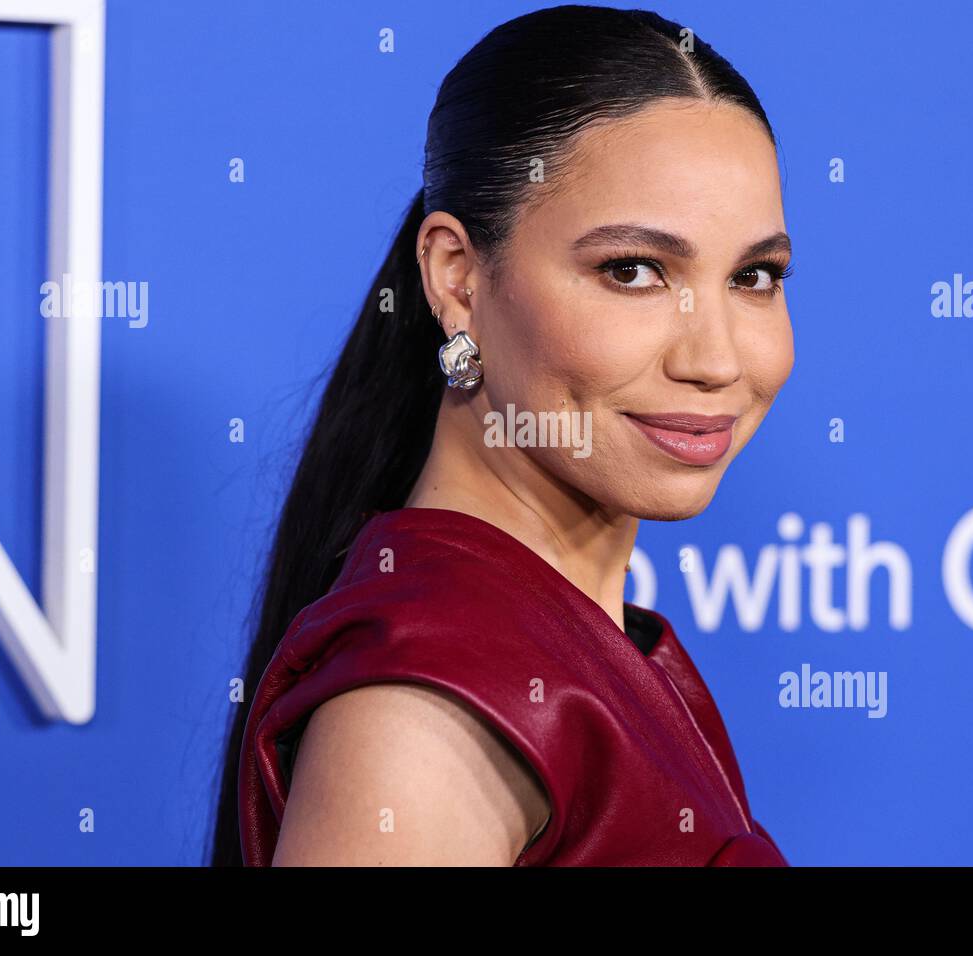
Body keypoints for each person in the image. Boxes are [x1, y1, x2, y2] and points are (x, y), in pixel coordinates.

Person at [211, 3, 795, 866]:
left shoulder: (579, 646)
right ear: (456, 278)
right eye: (632, 271)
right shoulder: (425, 709)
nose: (715, 359)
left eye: (754, 275)